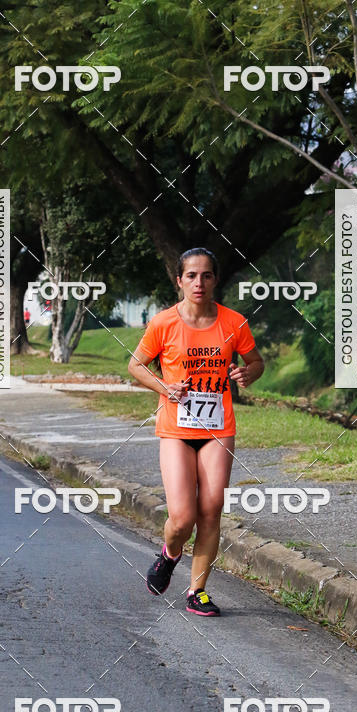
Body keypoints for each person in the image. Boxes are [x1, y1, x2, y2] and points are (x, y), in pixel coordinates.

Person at [128, 248, 264, 616]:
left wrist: (247, 373)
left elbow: (256, 362)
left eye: (206, 275)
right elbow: (136, 365)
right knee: (182, 518)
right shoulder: (163, 323)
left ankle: (196, 591)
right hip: (176, 428)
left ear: (215, 279)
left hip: (218, 427)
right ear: (179, 280)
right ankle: (170, 553)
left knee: (211, 509)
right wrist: (164, 387)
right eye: (191, 275)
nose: (198, 282)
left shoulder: (234, 322)